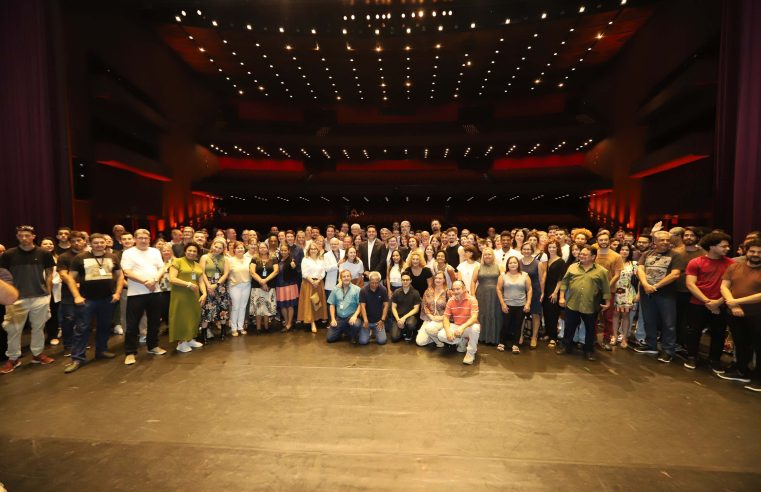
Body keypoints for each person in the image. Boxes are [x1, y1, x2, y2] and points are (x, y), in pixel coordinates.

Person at [63, 233, 124, 373]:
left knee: (104, 327)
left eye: (101, 242)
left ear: (105, 243)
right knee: (82, 329)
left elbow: (120, 276)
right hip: (87, 299)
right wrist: (76, 296)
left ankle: (101, 351)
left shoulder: (112, 257)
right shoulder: (80, 258)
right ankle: (77, 358)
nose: (99, 245)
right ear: (90, 243)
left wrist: (117, 293)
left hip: (107, 299)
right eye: (95, 242)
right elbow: (71, 279)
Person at [0, 225, 56, 374]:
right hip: (16, 300)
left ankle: (37, 355)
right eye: (20, 236)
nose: (24, 238)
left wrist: (48, 292)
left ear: (33, 236)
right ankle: (13, 359)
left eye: (27, 235)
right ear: (17, 237)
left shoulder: (44, 253)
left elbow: (50, 273)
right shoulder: (8, 255)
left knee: (38, 328)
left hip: (40, 297)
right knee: (13, 330)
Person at [683, 232, 734, 372]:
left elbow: (733, 286)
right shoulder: (696, 262)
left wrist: (718, 302)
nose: (727, 249)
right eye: (723, 246)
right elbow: (690, 284)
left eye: (728, 246)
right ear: (712, 247)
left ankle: (714, 360)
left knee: (718, 333)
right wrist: (707, 301)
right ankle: (691, 357)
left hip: (721, 304)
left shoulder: (732, 264)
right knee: (694, 331)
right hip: (698, 303)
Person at [634, 231, 685, 363]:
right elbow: (640, 269)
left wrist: (655, 286)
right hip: (647, 292)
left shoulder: (676, 255)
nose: (665, 242)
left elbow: (675, 274)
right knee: (649, 320)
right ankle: (651, 345)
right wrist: (645, 284)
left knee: (668, 323)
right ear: (654, 242)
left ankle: (668, 350)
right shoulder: (647, 254)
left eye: (667, 240)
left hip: (666, 294)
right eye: (662, 240)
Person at [556, 246, 611, 361]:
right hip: (573, 303)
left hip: (590, 305)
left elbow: (606, 288)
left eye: (585, 254)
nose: (581, 256)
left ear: (593, 257)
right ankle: (566, 346)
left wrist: (607, 302)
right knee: (569, 327)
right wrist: (561, 297)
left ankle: (589, 351)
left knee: (590, 329)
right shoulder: (572, 267)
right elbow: (564, 283)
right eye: (581, 254)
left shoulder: (601, 271)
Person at [120, 229, 167, 365]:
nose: (143, 240)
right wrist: (146, 282)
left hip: (155, 291)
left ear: (149, 239)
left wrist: (155, 280)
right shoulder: (128, 253)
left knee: (154, 322)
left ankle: (153, 346)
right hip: (136, 293)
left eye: (146, 238)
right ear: (135, 239)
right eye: (140, 238)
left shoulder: (155, 251)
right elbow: (127, 272)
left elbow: (161, 268)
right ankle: (130, 352)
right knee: (132, 324)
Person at [720, 239, 761, 391]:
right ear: (746, 251)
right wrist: (733, 304)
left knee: (759, 347)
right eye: (752, 251)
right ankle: (742, 371)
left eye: (759, 252)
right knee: (741, 344)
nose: (756, 254)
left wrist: (735, 301)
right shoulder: (734, 267)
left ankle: (758, 378)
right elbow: (724, 286)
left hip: (757, 316)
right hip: (735, 313)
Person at [167, 243, 206, 353]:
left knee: (193, 317)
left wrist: (204, 294)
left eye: (194, 251)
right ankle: (181, 342)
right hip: (180, 296)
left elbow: (201, 281)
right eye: (190, 250)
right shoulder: (177, 261)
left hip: (194, 296)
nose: (192, 253)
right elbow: (172, 279)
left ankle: (190, 339)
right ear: (185, 251)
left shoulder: (197, 265)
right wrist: (188, 284)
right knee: (181, 318)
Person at [54, 231, 88, 353]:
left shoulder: (89, 255)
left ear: (84, 241)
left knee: (84, 319)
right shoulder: (64, 257)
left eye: (79, 240)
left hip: (87, 292)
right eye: (73, 241)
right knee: (69, 318)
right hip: (68, 293)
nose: (76, 243)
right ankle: (68, 344)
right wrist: (74, 283)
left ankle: (82, 342)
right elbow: (63, 274)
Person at [438, 280, 481, 365]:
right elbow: (446, 317)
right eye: (454, 289)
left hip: (468, 327)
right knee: (441, 335)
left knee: (475, 328)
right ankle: (462, 341)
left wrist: (462, 327)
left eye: (458, 289)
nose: (455, 292)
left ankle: (470, 353)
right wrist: (448, 331)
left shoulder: (472, 300)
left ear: (464, 289)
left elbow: (474, 317)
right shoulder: (451, 301)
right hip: (457, 327)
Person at [594, 231, 623, 350]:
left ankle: (606, 340)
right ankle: (593, 339)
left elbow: (617, 275)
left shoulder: (616, 256)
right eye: (601, 240)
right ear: (597, 241)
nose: (603, 242)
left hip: (609, 291)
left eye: (605, 240)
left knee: (608, 317)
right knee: (593, 316)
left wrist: (605, 287)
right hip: (593, 290)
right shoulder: (593, 254)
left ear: (609, 241)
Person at [497, 257, 531, 354]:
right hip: (507, 305)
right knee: (505, 325)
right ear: (507, 265)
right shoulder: (503, 276)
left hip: (521, 305)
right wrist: (502, 304)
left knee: (518, 325)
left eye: (515, 262)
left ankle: (515, 344)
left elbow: (529, 289)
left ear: (518, 264)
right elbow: (498, 289)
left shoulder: (524, 275)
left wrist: (528, 303)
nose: (512, 264)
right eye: (510, 263)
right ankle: (502, 342)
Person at [199, 239, 231, 338]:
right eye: (216, 247)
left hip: (220, 286)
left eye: (220, 248)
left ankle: (223, 332)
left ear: (223, 249)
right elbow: (202, 272)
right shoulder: (205, 257)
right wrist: (208, 285)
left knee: (223, 309)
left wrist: (216, 285)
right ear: (212, 245)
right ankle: (204, 334)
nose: (217, 249)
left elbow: (226, 274)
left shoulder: (225, 259)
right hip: (207, 285)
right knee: (207, 310)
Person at [471, 247, 503, 345]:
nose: (487, 256)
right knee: (482, 314)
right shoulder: (478, 267)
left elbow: (504, 280)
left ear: (493, 256)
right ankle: (481, 337)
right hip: (481, 294)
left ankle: (494, 338)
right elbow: (473, 281)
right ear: (483, 256)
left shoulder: (499, 267)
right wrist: (472, 295)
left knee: (495, 314)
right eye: (485, 254)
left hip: (495, 295)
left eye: (489, 254)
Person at [540, 240, 567, 348]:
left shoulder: (561, 261)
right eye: (550, 247)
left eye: (554, 247)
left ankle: (553, 337)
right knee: (546, 313)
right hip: (545, 290)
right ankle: (547, 333)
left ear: (557, 248)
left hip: (554, 290)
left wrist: (556, 292)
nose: (552, 249)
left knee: (553, 315)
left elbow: (561, 279)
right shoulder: (545, 260)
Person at [297, 242, 328, 333]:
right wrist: (312, 281)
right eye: (311, 249)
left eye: (315, 249)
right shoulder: (305, 259)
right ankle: (312, 322)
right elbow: (304, 273)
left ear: (317, 250)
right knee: (310, 303)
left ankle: (317, 317)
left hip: (319, 283)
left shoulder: (321, 259)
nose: (313, 250)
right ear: (309, 250)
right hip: (308, 283)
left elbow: (323, 272)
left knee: (317, 302)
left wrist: (318, 281)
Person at [611, 243, 637, 349]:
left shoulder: (634, 264)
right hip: (615, 290)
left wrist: (638, 294)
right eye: (622, 249)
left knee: (626, 316)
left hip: (627, 292)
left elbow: (638, 280)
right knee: (615, 314)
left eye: (627, 250)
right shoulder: (614, 261)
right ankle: (614, 335)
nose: (624, 251)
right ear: (618, 250)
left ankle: (625, 338)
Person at [326, 269, 363, 343]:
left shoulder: (357, 289)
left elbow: (360, 305)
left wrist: (355, 316)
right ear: (341, 278)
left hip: (351, 316)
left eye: (348, 276)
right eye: (344, 277)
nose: (346, 278)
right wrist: (333, 319)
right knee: (330, 338)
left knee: (356, 325)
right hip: (339, 318)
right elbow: (332, 304)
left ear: (351, 277)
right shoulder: (336, 289)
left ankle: (352, 335)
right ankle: (344, 330)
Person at [250, 242, 279, 333]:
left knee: (267, 307)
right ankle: (258, 327)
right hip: (257, 287)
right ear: (258, 249)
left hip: (269, 286)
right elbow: (252, 272)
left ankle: (266, 326)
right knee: (258, 307)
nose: (262, 249)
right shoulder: (254, 259)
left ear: (267, 248)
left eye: (264, 247)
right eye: (261, 248)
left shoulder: (273, 258)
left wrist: (265, 281)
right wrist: (261, 282)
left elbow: (276, 271)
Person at [519, 243, 543, 348]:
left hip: (535, 291)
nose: (526, 251)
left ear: (532, 250)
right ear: (521, 250)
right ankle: (520, 335)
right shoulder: (518, 262)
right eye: (524, 249)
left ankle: (534, 337)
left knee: (535, 314)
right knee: (521, 315)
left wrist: (542, 292)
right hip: (521, 291)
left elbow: (541, 279)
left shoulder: (538, 263)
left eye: (528, 249)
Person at [416, 271, 450, 348]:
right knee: (420, 342)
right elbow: (424, 305)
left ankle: (439, 341)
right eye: (436, 278)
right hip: (429, 318)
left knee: (430, 328)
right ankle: (433, 336)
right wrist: (431, 316)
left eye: (440, 278)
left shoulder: (448, 292)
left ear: (444, 280)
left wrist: (442, 317)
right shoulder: (428, 291)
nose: (438, 280)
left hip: (442, 319)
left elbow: (450, 308)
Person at [227, 241, 252, 336]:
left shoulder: (248, 259)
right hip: (234, 286)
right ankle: (234, 328)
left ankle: (240, 327)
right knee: (235, 307)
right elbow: (226, 273)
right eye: (238, 248)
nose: (240, 249)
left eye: (241, 248)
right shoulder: (229, 260)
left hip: (246, 285)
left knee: (243, 307)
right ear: (234, 250)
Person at [359, 271, 389, 345]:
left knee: (382, 341)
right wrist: (365, 320)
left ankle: (375, 331)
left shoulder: (383, 289)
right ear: (369, 281)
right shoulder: (363, 290)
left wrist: (382, 320)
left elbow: (386, 305)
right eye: (372, 282)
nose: (374, 285)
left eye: (377, 282)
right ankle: (369, 331)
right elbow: (362, 306)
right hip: (367, 321)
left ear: (379, 281)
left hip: (378, 321)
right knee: (363, 342)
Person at [390, 272, 422, 342]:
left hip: (410, 317)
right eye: (403, 280)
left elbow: (416, 309)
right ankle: (403, 330)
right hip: (398, 317)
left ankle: (409, 332)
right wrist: (398, 319)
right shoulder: (396, 292)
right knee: (394, 338)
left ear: (410, 281)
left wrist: (404, 318)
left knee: (410, 324)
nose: (405, 281)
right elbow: (393, 307)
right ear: (401, 281)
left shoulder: (415, 293)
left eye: (407, 280)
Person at [275, 244, 299, 331]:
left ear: (288, 251)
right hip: (279, 286)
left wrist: (294, 267)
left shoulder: (292, 260)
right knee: (282, 305)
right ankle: (286, 320)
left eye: (285, 250)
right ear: (280, 251)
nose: (283, 252)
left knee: (290, 305)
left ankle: (289, 323)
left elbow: (296, 274)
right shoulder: (278, 260)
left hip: (289, 285)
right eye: (282, 250)